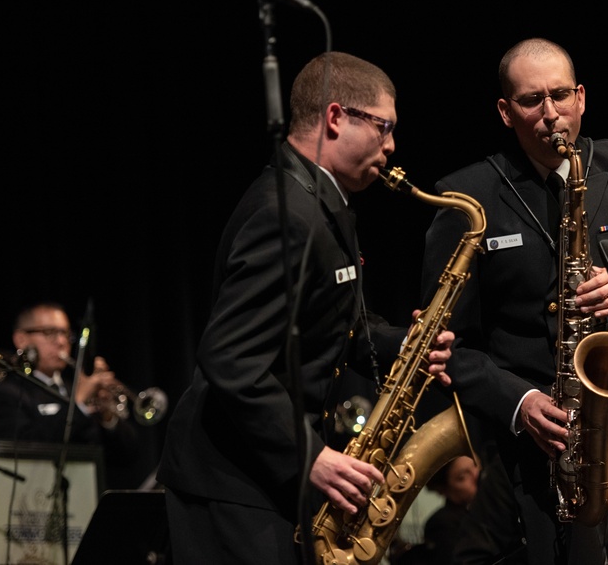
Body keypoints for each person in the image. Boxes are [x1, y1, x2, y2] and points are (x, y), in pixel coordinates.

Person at [420, 37, 608, 565]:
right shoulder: (464, 199)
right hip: (547, 452)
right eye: (532, 100)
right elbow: (447, 343)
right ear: (505, 112)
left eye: (560, 94)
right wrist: (519, 402)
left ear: (581, 97)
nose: (550, 113)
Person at [156, 51, 456, 565]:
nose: (391, 145)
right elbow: (229, 358)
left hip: (258, 477)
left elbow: (342, 323)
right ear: (336, 117)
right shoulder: (287, 212)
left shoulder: (319, 201)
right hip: (232, 483)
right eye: (383, 127)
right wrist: (310, 455)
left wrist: (408, 344)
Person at [0, 302, 140, 486]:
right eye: (49, 333)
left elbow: (128, 456)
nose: (61, 342)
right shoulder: (4, 391)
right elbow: (28, 448)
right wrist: (77, 404)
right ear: (21, 339)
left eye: (65, 334)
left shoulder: (76, 390)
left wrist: (107, 417)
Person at [391, 455, 481, 565]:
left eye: (476, 465)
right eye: (462, 477)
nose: (477, 475)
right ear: (443, 489)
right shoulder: (441, 523)